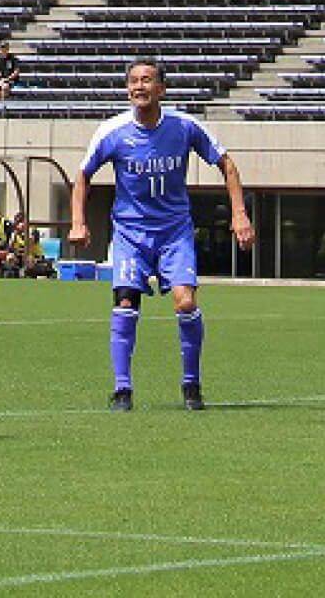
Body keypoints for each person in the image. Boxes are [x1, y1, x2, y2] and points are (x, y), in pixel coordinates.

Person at [70, 59, 256, 411]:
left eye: (147, 80)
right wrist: (79, 220)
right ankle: (122, 390)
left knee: (186, 302)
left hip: (174, 232)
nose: (139, 86)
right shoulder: (112, 131)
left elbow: (227, 164)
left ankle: (191, 385)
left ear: (162, 89)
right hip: (130, 234)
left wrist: (239, 214)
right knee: (125, 302)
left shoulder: (184, 127)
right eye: (134, 81)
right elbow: (82, 176)